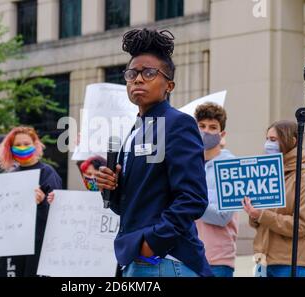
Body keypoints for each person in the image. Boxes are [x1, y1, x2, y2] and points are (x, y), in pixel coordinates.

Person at [96, 28, 212, 277]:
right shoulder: (136, 131)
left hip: (166, 261)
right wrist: (113, 189)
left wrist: (153, 243)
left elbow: (193, 197)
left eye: (149, 73)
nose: (137, 79)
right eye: (132, 73)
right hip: (137, 260)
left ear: (169, 85)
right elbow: (135, 203)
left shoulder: (178, 123)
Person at [242, 120, 305, 277]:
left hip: (291, 263)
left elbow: (302, 226)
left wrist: (261, 215)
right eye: (267, 139)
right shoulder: (267, 174)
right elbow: (260, 223)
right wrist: (253, 213)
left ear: (292, 141)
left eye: (273, 140)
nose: (268, 145)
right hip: (264, 260)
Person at [0, 126, 62, 277]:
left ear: (35, 145)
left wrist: (43, 201)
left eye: (26, 143)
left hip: (38, 248)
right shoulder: (9, 176)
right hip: (13, 246)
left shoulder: (47, 173)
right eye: (17, 145)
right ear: (10, 149)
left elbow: (58, 214)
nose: (22, 148)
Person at [194, 103, 238, 277]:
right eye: (201, 126)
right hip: (186, 258)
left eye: (213, 127)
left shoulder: (231, 167)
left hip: (217, 261)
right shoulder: (187, 163)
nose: (206, 131)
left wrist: (188, 204)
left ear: (222, 134)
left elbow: (222, 216)